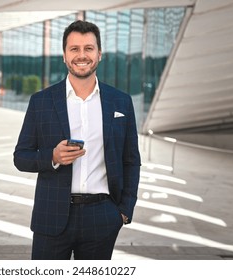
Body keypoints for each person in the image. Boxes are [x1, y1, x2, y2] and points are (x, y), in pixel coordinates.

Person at [13, 20, 141, 260]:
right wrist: (52, 157)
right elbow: (21, 157)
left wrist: (124, 211)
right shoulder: (41, 102)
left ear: (99, 54)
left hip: (102, 217)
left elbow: (131, 160)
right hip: (50, 215)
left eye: (88, 48)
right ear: (64, 56)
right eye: (74, 49)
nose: (81, 55)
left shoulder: (121, 102)